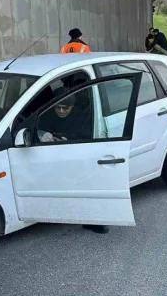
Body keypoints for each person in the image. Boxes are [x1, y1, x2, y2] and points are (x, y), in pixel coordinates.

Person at [36, 88, 110, 235]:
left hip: (77, 156)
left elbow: (88, 136)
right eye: (58, 107)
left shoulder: (81, 116)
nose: (61, 111)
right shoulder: (47, 116)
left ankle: (93, 221)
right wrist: (43, 134)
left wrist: (69, 141)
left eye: (65, 108)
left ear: (72, 106)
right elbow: (36, 128)